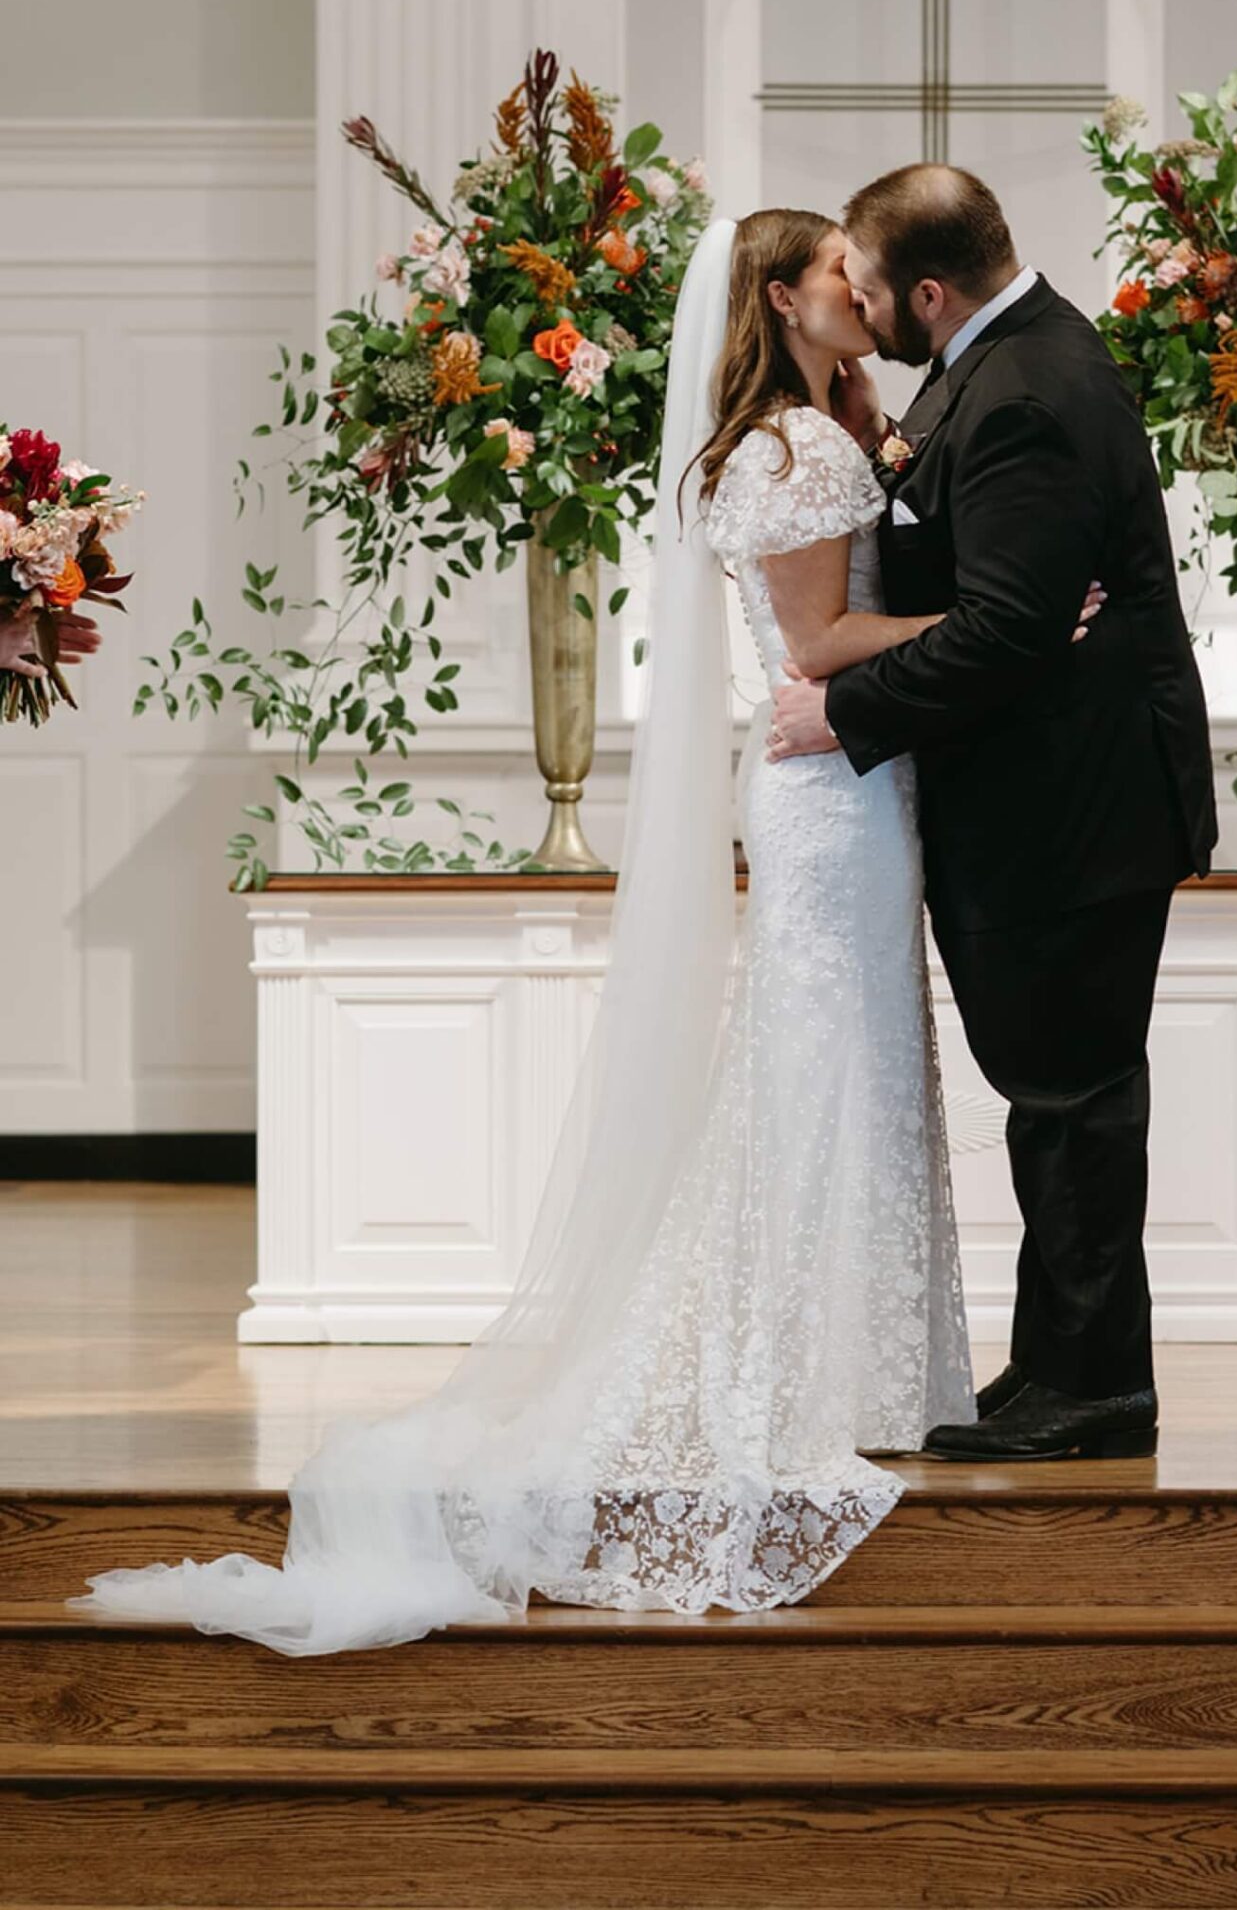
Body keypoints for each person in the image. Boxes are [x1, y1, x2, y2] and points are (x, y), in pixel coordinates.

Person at [74, 207, 1090, 1653]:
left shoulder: (829, 429)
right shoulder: (793, 451)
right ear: (781, 301)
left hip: (856, 787)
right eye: (838, 277)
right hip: (832, 793)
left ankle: (856, 1372)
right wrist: (1019, 625)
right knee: (828, 1067)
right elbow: (812, 649)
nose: (864, 294)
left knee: (856, 1064)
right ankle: (795, 1381)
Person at [768, 163, 1217, 1463]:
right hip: (1051, 799)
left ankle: (1096, 1391)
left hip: (1075, 808)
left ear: (924, 289)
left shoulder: (1023, 389)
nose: (854, 303)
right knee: (1054, 1092)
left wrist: (841, 716)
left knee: (1071, 1092)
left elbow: (1013, 629)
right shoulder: (991, 363)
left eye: (864, 284)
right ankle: (1067, 1364)